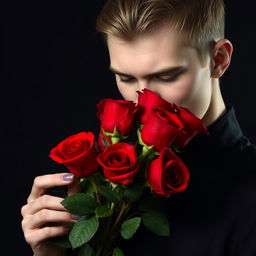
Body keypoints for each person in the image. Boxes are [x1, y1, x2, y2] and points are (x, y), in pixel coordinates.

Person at [21, 0, 256, 255]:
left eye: (166, 76)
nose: (142, 100)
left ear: (218, 60)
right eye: (125, 78)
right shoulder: (103, 178)